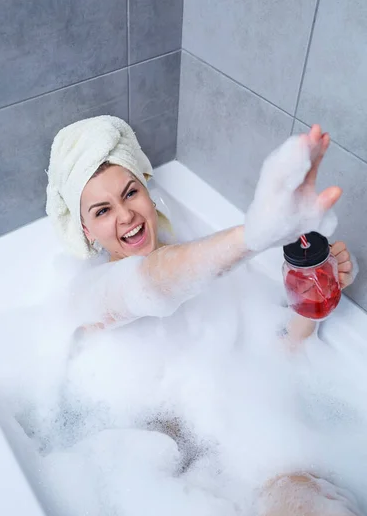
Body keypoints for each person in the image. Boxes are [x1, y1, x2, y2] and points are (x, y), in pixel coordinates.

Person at [46, 115, 360, 516]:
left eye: (130, 193)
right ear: (86, 229)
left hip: (240, 450)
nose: (124, 215)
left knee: (308, 503)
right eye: (102, 211)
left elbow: (283, 353)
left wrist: (316, 293)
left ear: (146, 189)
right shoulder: (88, 297)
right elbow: (150, 283)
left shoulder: (204, 270)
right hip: (150, 477)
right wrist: (253, 236)